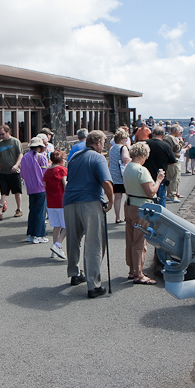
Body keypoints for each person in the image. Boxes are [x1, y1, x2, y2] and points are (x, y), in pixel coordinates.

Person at [64, 130, 114, 299]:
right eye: (104, 142)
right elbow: (106, 181)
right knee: (94, 242)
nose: (104, 145)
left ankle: (74, 273)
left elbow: (69, 179)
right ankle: (93, 285)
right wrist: (111, 200)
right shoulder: (98, 157)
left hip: (70, 201)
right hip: (90, 200)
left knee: (73, 239)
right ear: (97, 142)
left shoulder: (74, 157)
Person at [123, 142, 164, 284]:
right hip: (141, 206)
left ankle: (132, 269)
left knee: (130, 238)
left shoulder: (128, 167)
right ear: (143, 155)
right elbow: (151, 192)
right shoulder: (141, 170)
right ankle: (139, 273)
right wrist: (158, 180)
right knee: (140, 241)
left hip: (129, 204)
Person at [20, 136, 49, 244]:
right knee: (40, 212)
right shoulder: (41, 157)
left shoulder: (25, 157)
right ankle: (39, 235)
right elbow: (45, 174)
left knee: (32, 210)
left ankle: (30, 234)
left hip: (30, 188)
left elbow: (22, 173)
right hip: (41, 187)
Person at [0, 125, 23, 220]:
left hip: (14, 172)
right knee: (2, 192)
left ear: (8, 132)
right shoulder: (0, 143)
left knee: (17, 191)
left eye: (2, 134)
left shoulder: (15, 141)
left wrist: (16, 165)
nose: (1, 136)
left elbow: (20, 154)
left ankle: (19, 209)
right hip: (3, 171)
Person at [143, 126, 176, 207]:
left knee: (146, 200)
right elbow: (172, 161)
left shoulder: (144, 143)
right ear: (163, 135)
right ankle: (160, 218)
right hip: (160, 176)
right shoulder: (165, 146)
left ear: (153, 133)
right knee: (160, 200)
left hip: (145, 176)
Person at [44, 150, 68, 259]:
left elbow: (44, 187)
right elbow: (65, 185)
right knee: (68, 225)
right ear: (60, 160)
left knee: (56, 226)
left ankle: (55, 250)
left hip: (51, 202)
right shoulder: (62, 170)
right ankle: (58, 244)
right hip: (61, 201)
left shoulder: (47, 172)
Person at [108, 128, 131, 223]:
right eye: (125, 139)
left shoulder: (112, 148)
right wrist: (132, 160)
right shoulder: (123, 148)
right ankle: (127, 216)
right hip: (122, 175)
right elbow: (125, 158)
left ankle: (117, 217)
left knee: (117, 197)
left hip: (114, 175)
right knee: (128, 196)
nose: (126, 140)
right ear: (121, 139)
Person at [164, 124, 184, 203]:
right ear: (175, 131)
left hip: (167, 161)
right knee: (175, 178)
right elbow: (177, 148)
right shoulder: (172, 138)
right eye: (179, 131)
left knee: (169, 177)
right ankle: (172, 194)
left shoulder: (166, 137)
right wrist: (181, 141)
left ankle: (169, 193)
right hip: (174, 160)